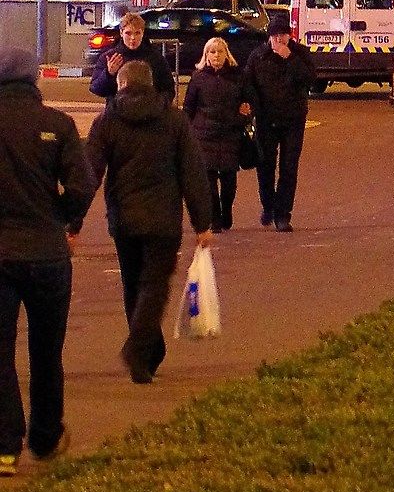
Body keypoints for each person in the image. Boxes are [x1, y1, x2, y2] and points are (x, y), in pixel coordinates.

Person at [85, 62, 211, 385]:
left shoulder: (108, 121)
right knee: (154, 286)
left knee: (132, 284)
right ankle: (141, 352)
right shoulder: (174, 119)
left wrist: (73, 220)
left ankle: (145, 352)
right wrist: (203, 222)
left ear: (121, 82)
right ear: (152, 83)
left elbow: (90, 173)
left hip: (124, 220)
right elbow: (193, 172)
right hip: (164, 218)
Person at [0, 45, 91, 471]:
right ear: (34, 79)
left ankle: (4, 443)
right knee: (46, 348)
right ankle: (44, 435)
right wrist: (65, 221)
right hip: (47, 253)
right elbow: (81, 185)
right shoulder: (58, 124)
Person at [240, 21, 311, 231]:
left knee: (289, 167)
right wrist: (251, 106)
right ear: (269, 37)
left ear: (289, 36)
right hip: (266, 119)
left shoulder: (299, 54)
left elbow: (309, 78)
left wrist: (289, 58)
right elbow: (248, 83)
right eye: (275, 36)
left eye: (283, 35)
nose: (279, 39)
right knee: (265, 165)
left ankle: (283, 214)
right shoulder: (258, 56)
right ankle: (268, 205)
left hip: (293, 119)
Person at [179, 37, 248, 233]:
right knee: (208, 183)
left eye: (220, 51)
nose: (216, 55)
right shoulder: (198, 78)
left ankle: (226, 211)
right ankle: (214, 218)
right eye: (212, 52)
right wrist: (187, 133)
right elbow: (189, 108)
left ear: (227, 54)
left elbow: (247, 103)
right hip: (204, 135)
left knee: (229, 182)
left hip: (229, 134)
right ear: (206, 55)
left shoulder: (237, 77)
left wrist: (244, 117)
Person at [90, 13, 173, 107]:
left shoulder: (155, 58)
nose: (133, 38)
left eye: (137, 33)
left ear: (143, 33)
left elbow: (168, 90)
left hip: (148, 114)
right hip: (118, 114)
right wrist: (108, 74)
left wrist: (157, 105)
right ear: (121, 33)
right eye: (128, 33)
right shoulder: (110, 57)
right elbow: (96, 89)